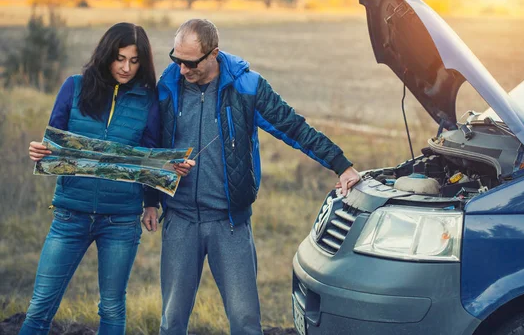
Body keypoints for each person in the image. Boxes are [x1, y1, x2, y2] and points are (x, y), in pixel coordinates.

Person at [143, 18, 361, 335]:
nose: (182, 70)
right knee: (172, 322)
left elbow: (294, 127)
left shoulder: (247, 86)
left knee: (245, 322)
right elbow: (152, 145)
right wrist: (151, 199)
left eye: (190, 63)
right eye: (176, 60)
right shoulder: (167, 87)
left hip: (230, 223)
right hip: (179, 220)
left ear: (213, 53)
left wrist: (340, 164)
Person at [21, 22, 191, 335]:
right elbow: (54, 144)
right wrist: (39, 151)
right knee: (40, 307)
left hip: (121, 220)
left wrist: (154, 198)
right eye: (120, 58)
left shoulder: (148, 99)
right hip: (70, 215)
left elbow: (149, 153)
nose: (126, 67)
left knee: (112, 308)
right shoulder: (73, 87)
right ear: (105, 55)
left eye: (134, 60)